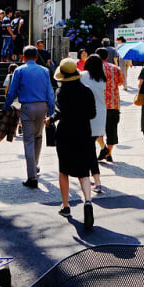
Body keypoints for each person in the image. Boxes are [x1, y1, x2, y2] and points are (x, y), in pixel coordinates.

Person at [52, 58, 96, 228]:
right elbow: (92, 114)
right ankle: (88, 201)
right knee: (83, 170)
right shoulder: (87, 91)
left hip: (65, 133)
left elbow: (59, 113)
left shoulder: (61, 92)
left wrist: (51, 119)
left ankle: (66, 206)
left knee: (64, 169)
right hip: (84, 132)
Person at [4, 45, 55, 189]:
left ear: (23, 57)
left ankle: (31, 176)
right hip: (42, 106)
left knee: (28, 140)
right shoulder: (45, 71)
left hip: (27, 106)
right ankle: (35, 165)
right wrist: (51, 111)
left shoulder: (19, 70)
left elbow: (12, 91)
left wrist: (6, 106)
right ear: (37, 57)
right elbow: (50, 92)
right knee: (38, 137)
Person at [80, 54, 106, 193]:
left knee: (89, 150)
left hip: (87, 115)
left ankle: (97, 180)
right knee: (89, 147)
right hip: (100, 115)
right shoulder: (102, 78)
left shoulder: (82, 76)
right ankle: (90, 177)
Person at [96, 47, 124, 162]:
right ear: (107, 57)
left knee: (96, 129)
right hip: (113, 103)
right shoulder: (115, 68)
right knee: (112, 130)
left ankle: (103, 148)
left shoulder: (94, 69)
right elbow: (121, 82)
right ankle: (109, 153)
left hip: (99, 104)